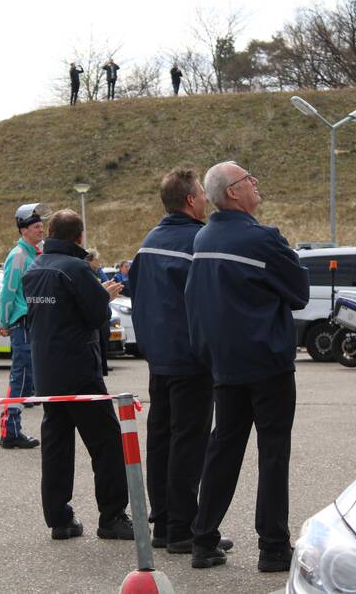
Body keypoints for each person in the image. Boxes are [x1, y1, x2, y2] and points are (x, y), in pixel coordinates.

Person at [184, 161, 310, 573]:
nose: (256, 184)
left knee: (224, 448)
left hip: (225, 363)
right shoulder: (263, 239)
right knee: (273, 453)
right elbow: (299, 292)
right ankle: (273, 546)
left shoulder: (202, 238)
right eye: (248, 180)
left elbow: (196, 300)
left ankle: (203, 538)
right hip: (268, 362)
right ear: (233, 193)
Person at [130, 168, 235, 556]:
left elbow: (138, 297)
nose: (206, 200)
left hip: (159, 359)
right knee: (189, 445)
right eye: (201, 195)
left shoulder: (149, 242)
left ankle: (162, 523)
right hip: (191, 361)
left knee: (161, 440)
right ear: (191, 200)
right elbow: (208, 302)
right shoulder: (197, 241)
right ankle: (183, 530)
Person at [22, 209, 133, 542]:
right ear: (79, 237)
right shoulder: (76, 268)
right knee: (108, 443)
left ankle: (59, 518)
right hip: (79, 369)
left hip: (46, 369)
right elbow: (95, 314)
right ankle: (112, 516)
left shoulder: (35, 267)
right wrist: (106, 295)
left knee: (57, 444)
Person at [0, 203, 49, 450]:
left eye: (41, 226)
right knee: (20, 377)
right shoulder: (18, 256)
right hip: (23, 323)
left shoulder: (31, 254)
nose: (41, 230)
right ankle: (10, 430)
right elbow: (9, 292)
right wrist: (5, 322)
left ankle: (12, 429)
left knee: (24, 376)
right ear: (23, 230)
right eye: (37, 227)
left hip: (31, 322)